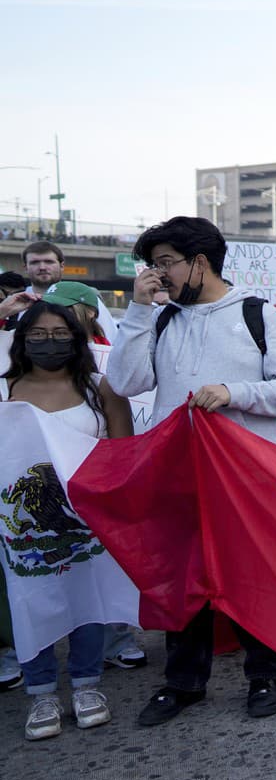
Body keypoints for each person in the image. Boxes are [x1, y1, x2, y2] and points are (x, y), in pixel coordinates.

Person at [107, 216, 276, 726]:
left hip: (245, 476)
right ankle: (183, 682)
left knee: (251, 574)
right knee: (182, 577)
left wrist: (233, 392)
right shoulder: (158, 318)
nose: (158, 275)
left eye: (166, 263)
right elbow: (126, 381)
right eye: (151, 265)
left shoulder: (257, 313)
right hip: (178, 474)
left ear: (200, 262)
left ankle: (264, 676)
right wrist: (137, 309)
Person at [3, 300, 133, 739]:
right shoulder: (4, 391)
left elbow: (122, 452)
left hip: (85, 518)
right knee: (29, 599)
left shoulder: (102, 389)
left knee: (88, 599)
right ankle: (40, 691)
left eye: (60, 334)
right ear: (21, 341)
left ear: (77, 340)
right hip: (19, 523)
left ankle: (86, 684)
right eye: (37, 335)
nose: (49, 342)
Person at [40, 281, 148, 668]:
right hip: (43, 479)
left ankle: (115, 636)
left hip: (92, 475)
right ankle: (38, 651)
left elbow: (122, 423)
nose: (55, 317)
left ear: (87, 312)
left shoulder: (107, 358)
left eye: (63, 309)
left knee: (103, 558)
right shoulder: (24, 356)